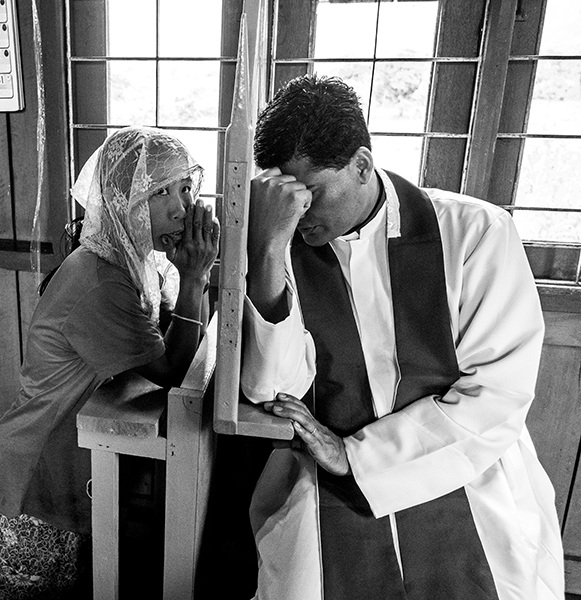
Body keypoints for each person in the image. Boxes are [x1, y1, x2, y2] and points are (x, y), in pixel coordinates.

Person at [240, 75, 564, 600]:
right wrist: (268, 253)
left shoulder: (475, 234)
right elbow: (267, 390)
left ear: (363, 166)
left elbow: (497, 397)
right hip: (323, 476)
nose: (298, 213)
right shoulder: (280, 247)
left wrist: (357, 457)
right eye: (285, 196)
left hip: (464, 467)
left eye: (312, 193)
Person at [0, 127, 220, 599]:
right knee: (1, 590)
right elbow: (174, 373)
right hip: (38, 461)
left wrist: (187, 277)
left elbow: (161, 341)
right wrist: (197, 277)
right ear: (120, 201)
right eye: (159, 192)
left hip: (60, 451)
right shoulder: (100, 279)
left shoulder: (127, 260)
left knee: (46, 575)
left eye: (185, 187)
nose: (180, 207)